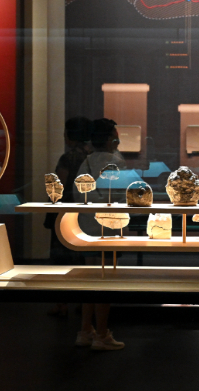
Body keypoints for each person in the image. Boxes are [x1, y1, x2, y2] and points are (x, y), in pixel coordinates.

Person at [73, 118, 126, 351]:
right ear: (109, 139)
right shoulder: (116, 161)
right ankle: (102, 334)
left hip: (87, 226)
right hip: (109, 225)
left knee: (90, 279)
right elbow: (119, 193)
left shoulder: (86, 161)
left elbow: (78, 193)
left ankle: (85, 330)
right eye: (115, 135)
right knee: (106, 280)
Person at [45, 117, 92, 318]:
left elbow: (59, 186)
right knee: (82, 260)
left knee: (60, 259)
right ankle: (84, 302)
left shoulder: (68, 158)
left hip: (64, 214)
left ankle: (62, 303)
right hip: (85, 214)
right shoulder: (91, 156)